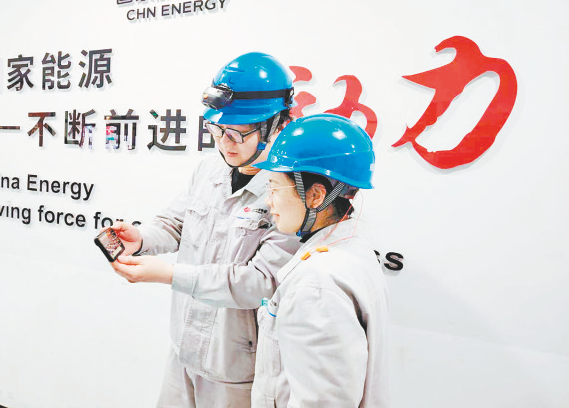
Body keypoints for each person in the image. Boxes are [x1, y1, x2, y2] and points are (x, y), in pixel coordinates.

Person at [109, 52, 303, 407]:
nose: (225, 143)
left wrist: (170, 275)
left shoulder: (289, 192)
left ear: (276, 125)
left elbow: (261, 282)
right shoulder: (209, 170)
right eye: (216, 130)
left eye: (237, 133)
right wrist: (142, 239)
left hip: (236, 367)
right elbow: (174, 223)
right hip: (183, 348)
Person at [250, 114, 390, 407]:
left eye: (274, 187)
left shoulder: (316, 286)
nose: (268, 201)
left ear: (315, 195)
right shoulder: (352, 247)